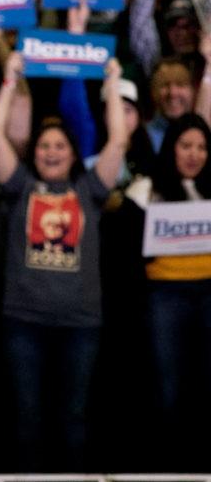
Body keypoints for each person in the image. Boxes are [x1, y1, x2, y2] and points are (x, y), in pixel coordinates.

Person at [0, 53, 128, 471]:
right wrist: (10, 80)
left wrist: (113, 86)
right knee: (28, 423)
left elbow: (118, 141)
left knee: (73, 422)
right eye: (45, 145)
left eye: (60, 145)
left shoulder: (90, 189)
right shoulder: (20, 186)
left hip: (80, 325)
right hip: (23, 324)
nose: (52, 151)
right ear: (36, 152)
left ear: (72, 153)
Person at [121, 113, 211, 471]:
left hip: (209, 296)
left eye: (202, 147)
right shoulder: (145, 192)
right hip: (164, 297)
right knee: (167, 390)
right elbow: (126, 258)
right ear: (171, 147)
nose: (194, 154)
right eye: (186, 145)